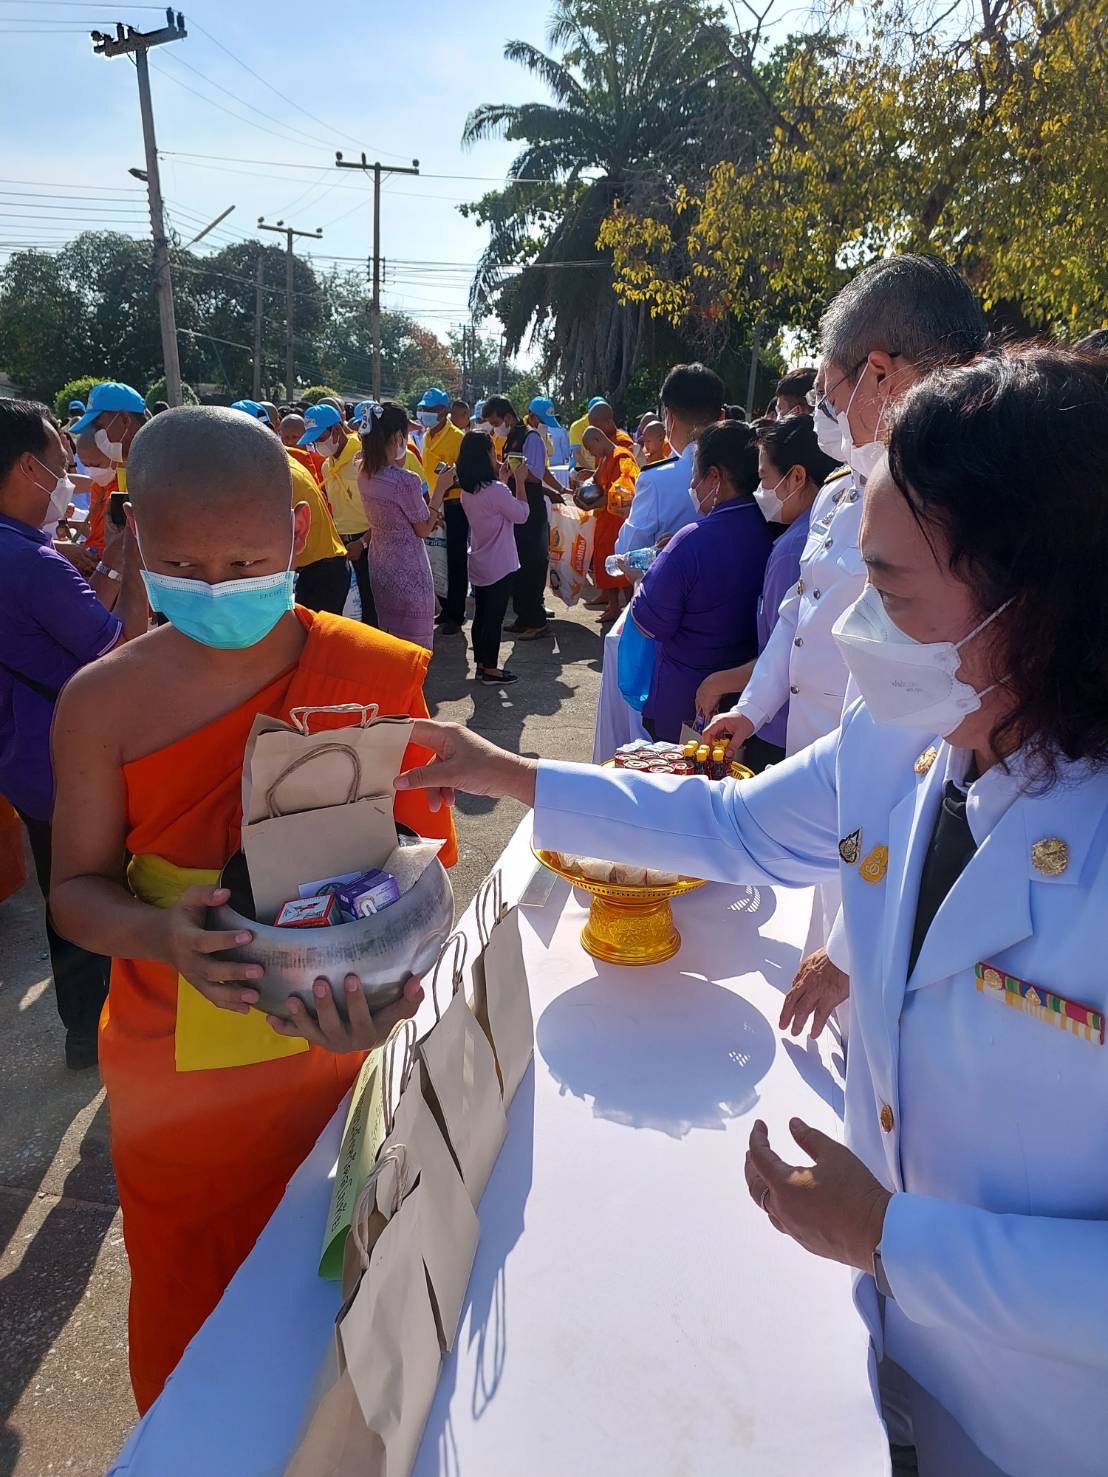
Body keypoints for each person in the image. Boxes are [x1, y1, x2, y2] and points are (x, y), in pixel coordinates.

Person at [396, 342, 1108, 1477]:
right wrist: (514, 779)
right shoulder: (903, 736)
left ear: (1038, 597)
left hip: (1055, 1423)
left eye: (889, 589)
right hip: (896, 1362)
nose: (850, 630)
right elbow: (728, 830)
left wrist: (889, 1236)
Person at [48, 405, 456, 1413]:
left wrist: (393, 993)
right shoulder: (102, 701)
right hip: (177, 1065)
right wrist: (160, 933)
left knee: (342, 1286)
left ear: (295, 532)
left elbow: (418, 870)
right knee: (199, 1322)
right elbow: (75, 892)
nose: (220, 586)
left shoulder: (366, 671)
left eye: (243, 559)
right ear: (137, 532)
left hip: (339, 1037)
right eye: (188, 564)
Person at [706, 252, 989, 1020]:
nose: (827, 417)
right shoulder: (840, 493)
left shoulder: (968, 516)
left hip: (904, 809)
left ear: (882, 375)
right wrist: (752, 709)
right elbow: (798, 618)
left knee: (866, 1008)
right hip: (823, 768)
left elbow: (940, 744)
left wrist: (853, 950)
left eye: (832, 394)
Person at [0, 400, 146, 1068]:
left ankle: (81, 1026)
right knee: (93, 890)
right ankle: (106, 1026)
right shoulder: (34, 564)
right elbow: (127, 654)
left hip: (21, 756)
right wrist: (138, 558)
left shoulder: (25, 552)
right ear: (28, 467)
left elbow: (62, 617)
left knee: (61, 884)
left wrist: (109, 558)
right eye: (60, 466)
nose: (66, 479)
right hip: (70, 762)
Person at [695, 417, 840, 770]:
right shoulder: (812, 529)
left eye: (764, 479)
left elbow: (787, 644)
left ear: (796, 477)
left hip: (780, 725)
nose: (760, 491)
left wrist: (717, 683)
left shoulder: (794, 548)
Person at [630, 421, 771, 741]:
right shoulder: (774, 532)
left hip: (687, 701)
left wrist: (643, 580)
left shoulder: (693, 540)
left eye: (696, 474)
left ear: (715, 477)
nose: (692, 484)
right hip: (751, 699)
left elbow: (649, 622)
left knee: (679, 781)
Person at [231, 401, 350, 617]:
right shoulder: (277, 460)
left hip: (322, 572)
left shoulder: (274, 472)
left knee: (314, 645)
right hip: (316, 568)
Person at [358, 401, 448, 650]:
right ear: (399, 436)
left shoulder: (364, 473)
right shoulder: (405, 481)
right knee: (414, 651)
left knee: (391, 645)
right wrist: (440, 489)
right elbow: (423, 528)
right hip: (409, 569)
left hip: (381, 565)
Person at [615, 363, 724, 556]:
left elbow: (627, 551)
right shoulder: (749, 471)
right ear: (722, 417)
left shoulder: (655, 480)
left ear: (669, 418)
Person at [485, 396, 564, 640]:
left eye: (496, 421)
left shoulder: (531, 438)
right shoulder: (512, 438)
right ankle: (523, 616)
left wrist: (515, 473)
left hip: (530, 508)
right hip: (516, 506)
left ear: (508, 417)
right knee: (517, 564)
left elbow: (537, 474)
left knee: (531, 564)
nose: (494, 427)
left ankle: (537, 621)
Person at [456, 429, 529, 685]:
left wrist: (502, 480)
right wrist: (519, 482)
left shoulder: (468, 491)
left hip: (479, 560)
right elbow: (521, 514)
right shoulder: (496, 490)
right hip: (500, 562)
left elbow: (491, 506)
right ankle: (490, 669)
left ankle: (481, 665)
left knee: (481, 616)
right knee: (493, 619)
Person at [300, 403, 377, 626]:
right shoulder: (327, 466)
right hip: (343, 547)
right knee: (351, 614)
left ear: (336, 430)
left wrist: (363, 543)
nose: (315, 445)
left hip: (370, 544)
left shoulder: (363, 458)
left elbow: (383, 512)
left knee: (371, 612)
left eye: (318, 438)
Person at [415, 388, 467, 635]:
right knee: (436, 557)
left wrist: (446, 490)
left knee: (455, 558)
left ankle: (456, 615)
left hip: (454, 505)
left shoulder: (457, 437)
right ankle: (445, 607)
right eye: (423, 409)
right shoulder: (427, 436)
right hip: (433, 503)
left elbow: (463, 474)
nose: (425, 413)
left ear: (444, 411)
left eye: (431, 409)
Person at [580, 426, 637, 624]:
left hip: (618, 520)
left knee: (621, 563)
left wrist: (593, 504)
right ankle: (613, 606)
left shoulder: (621, 456)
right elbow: (596, 479)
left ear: (597, 440)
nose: (590, 453)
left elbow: (622, 494)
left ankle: (630, 605)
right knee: (605, 562)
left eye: (589, 448)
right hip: (605, 520)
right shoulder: (605, 458)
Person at [69, 381, 148, 494]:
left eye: (99, 427)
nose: (96, 436)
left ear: (124, 420)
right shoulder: (127, 467)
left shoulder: (161, 462)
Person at [529, 396, 571, 466]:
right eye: (543, 422)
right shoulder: (522, 431)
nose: (546, 425)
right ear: (532, 416)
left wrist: (543, 436)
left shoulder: (545, 431)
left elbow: (550, 452)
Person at [569, 395, 605, 473]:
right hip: (580, 470)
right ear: (589, 411)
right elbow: (577, 454)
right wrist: (593, 472)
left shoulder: (605, 425)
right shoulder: (577, 427)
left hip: (598, 470)